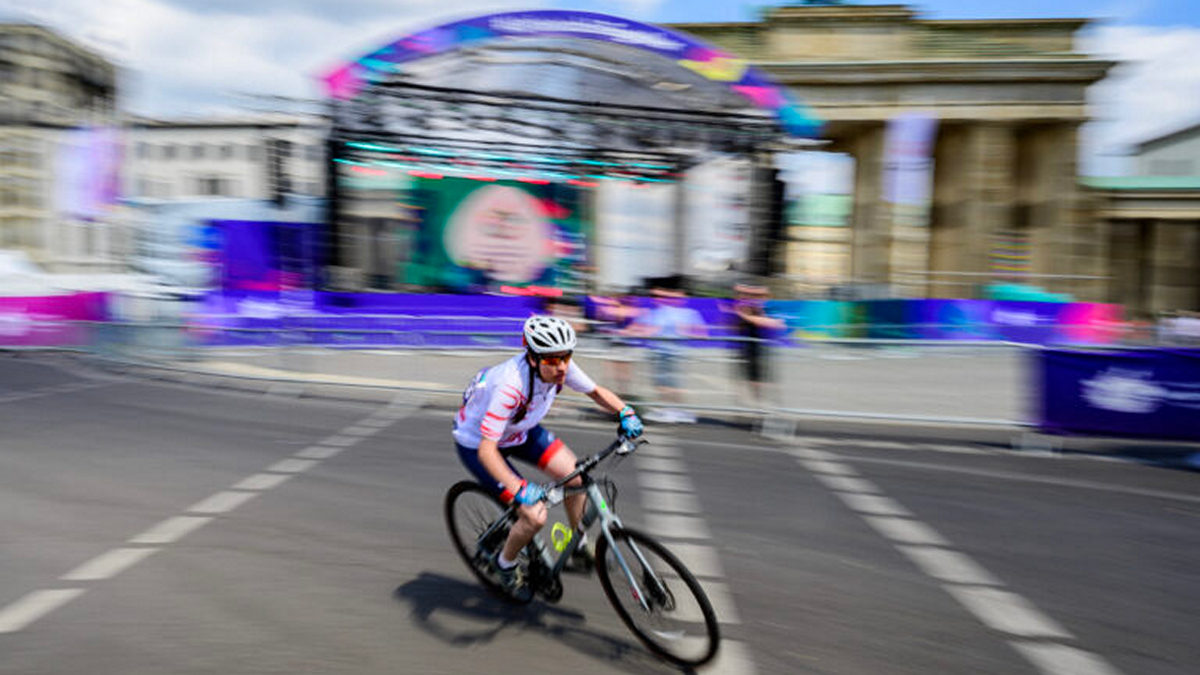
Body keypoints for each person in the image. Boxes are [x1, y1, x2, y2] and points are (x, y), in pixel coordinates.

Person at [453, 315, 644, 600]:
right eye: (553, 361)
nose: (562, 367)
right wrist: (520, 489)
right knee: (534, 515)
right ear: (532, 358)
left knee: (577, 478)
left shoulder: (559, 365)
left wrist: (625, 411)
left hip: (520, 431)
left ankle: (576, 545)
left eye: (566, 357)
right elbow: (486, 451)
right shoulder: (510, 386)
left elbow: (595, 392)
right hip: (479, 444)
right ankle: (505, 565)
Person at [635, 278, 707, 424]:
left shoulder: (688, 313)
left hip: (675, 353)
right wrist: (644, 332)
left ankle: (675, 411)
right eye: (654, 296)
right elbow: (645, 329)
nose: (656, 299)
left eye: (660, 295)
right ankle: (671, 409)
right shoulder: (655, 312)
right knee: (661, 383)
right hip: (658, 351)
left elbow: (703, 334)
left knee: (672, 384)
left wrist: (687, 332)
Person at [732, 282, 786, 412]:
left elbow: (772, 322)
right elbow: (756, 321)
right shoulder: (744, 307)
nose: (759, 298)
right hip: (748, 349)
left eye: (761, 295)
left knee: (766, 380)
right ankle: (759, 407)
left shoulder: (761, 308)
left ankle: (769, 407)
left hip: (762, 348)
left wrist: (752, 318)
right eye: (755, 295)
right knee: (753, 381)